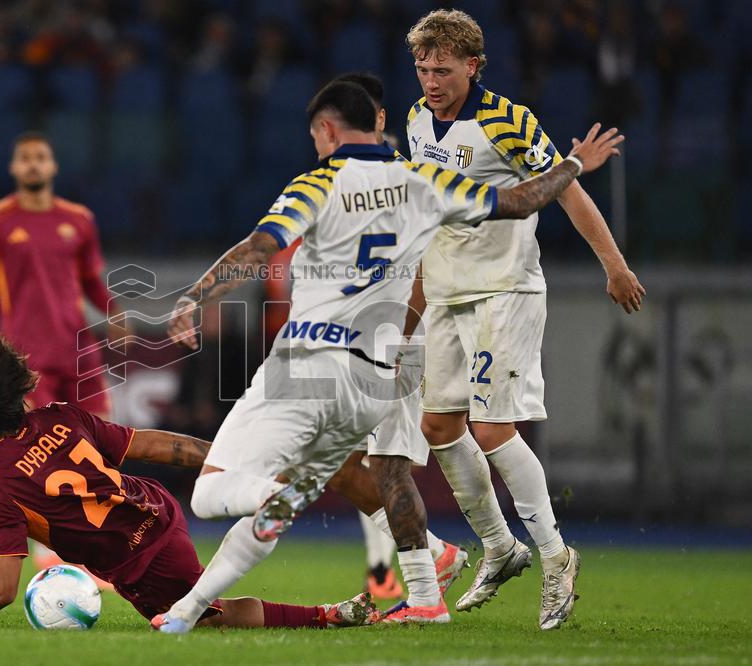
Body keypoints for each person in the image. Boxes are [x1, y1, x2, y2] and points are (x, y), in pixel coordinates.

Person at [155, 79, 623, 632]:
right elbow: (522, 200)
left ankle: (281, 491)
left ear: (327, 130)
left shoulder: (319, 182)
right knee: (390, 468)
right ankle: (424, 590)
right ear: (378, 123)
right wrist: (572, 162)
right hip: (379, 369)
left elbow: (258, 249)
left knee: (212, 494)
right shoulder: (423, 179)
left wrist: (195, 296)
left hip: (307, 363)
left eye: (316, 135)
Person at [0, 327, 378, 630]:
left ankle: (330, 615)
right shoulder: (61, 417)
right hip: (157, 510)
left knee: (208, 618)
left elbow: (2, 590)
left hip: (140, 562)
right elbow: (152, 445)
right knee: (201, 606)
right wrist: (224, 458)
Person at [402, 9, 646, 630]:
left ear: (473, 65)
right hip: (450, 292)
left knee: (491, 428)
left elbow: (567, 188)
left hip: (504, 290)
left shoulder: (506, 121)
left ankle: (557, 557)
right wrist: (412, 308)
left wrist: (613, 265)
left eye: (443, 69)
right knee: (436, 425)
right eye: (423, 68)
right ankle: (501, 547)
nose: (431, 80)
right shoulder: (414, 122)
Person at [322, 71, 469, 602]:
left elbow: (432, 263)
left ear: (381, 121)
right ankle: (434, 555)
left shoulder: (411, 182)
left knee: (383, 462)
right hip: (355, 338)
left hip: (394, 339)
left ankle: (428, 590)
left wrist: (400, 336)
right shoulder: (337, 182)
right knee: (335, 462)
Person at [0, 130, 127, 573]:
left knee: (99, 447)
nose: (34, 164)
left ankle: (107, 549)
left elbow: (91, 279)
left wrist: (113, 311)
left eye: (41, 157)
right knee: (38, 452)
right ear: (14, 167)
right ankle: (48, 548)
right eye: (26, 158)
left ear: (53, 166)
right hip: (24, 356)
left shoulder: (79, 220)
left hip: (78, 348)